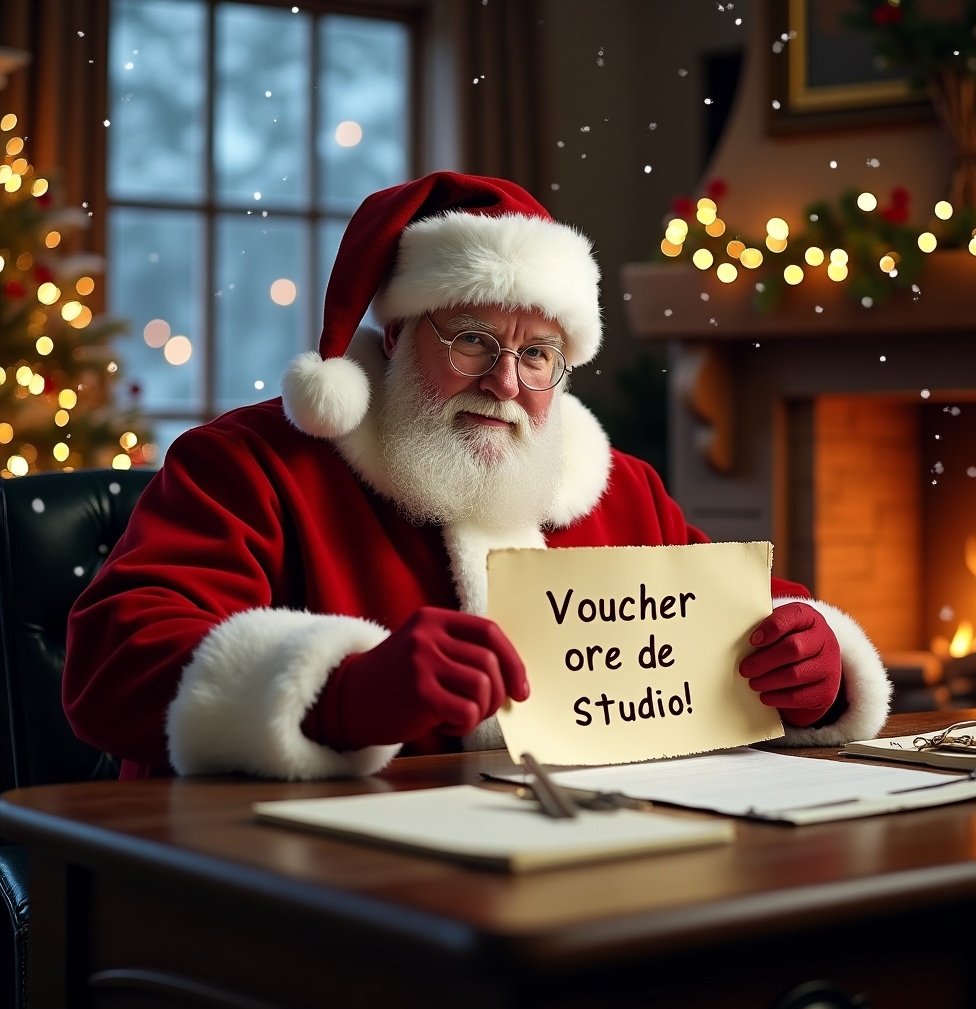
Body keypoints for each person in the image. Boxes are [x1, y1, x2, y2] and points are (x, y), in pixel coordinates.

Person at [62, 171, 891, 780]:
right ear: (395, 337)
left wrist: (811, 671)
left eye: (538, 354)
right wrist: (340, 691)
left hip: (587, 872)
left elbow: (744, 624)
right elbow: (110, 662)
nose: (506, 382)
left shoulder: (618, 487)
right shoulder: (250, 464)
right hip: (305, 889)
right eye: (471, 339)